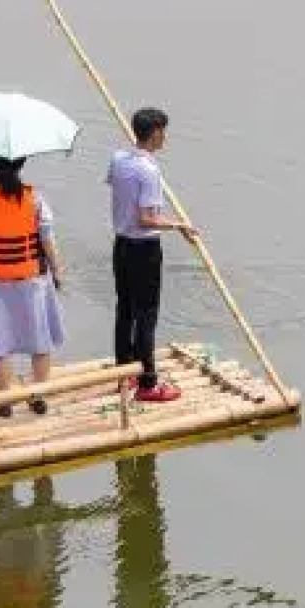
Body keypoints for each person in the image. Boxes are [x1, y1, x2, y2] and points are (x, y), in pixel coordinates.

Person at [106, 107, 196, 403]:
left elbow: (117, 188)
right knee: (146, 316)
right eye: (163, 131)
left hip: (121, 246)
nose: (165, 137)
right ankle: (147, 383)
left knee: (125, 311)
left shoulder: (119, 159)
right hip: (143, 250)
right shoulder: (149, 169)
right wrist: (179, 224)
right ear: (155, 133)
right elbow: (146, 219)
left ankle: (124, 372)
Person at [0, 155, 66, 418]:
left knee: (0, 341)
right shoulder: (35, 199)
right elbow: (47, 238)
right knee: (39, 337)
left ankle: (5, 402)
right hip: (31, 277)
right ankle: (38, 397)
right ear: (21, 165)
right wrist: (58, 270)